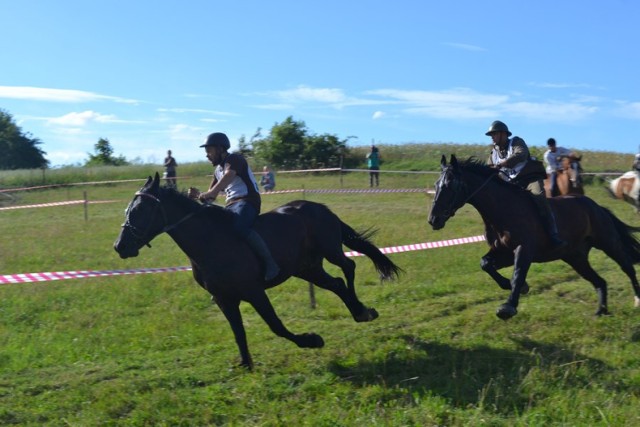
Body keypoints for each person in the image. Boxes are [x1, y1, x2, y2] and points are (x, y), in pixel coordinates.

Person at [187, 132, 280, 281]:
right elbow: (210, 197)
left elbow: (229, 175)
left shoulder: (234, 159)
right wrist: (198, 196)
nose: (207, 155)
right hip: (231, 205)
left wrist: (211, 192)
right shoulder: (217, 171)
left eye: (209, 151)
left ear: (220, 149)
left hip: (248, 201)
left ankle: (271, 264)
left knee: (239, 228)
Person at [485, 120, 566, 248]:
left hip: (529, 179)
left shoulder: (516, 142)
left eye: (494, 134)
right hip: (512, 184)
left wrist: (502, 164)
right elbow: (488, 169)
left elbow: (521, 154)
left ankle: (553, 234)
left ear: (503, 134)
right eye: (491, 135)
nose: (492, 138)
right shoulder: (493, 153)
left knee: (539, 195)